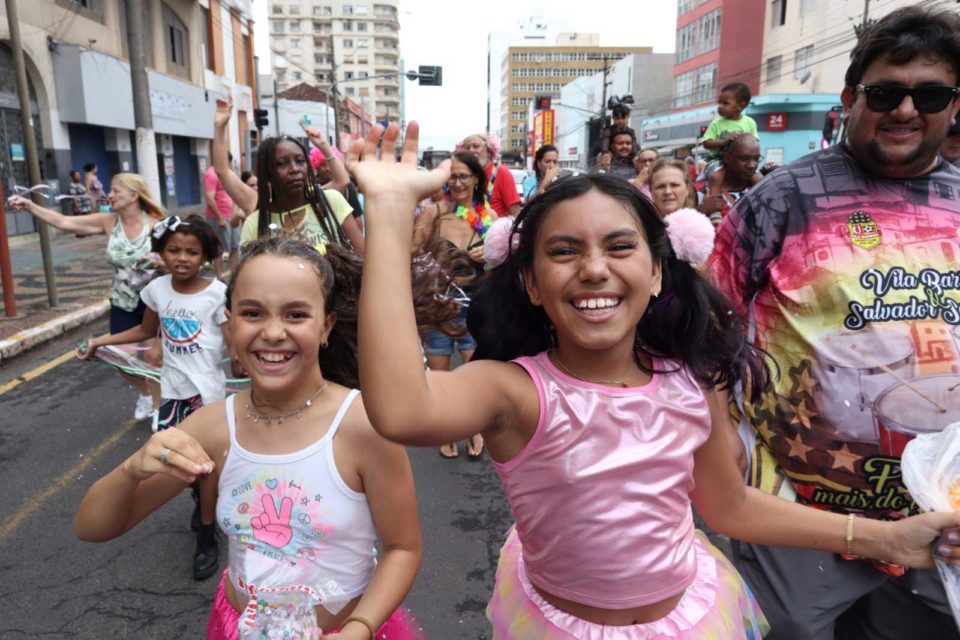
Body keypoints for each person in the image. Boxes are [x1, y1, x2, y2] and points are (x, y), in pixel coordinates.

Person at [348, 121, 960, 640]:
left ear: (659, 272)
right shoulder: (513, 391)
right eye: (563, 252)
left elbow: (731, 506)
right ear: (531, 283)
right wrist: (390, 211)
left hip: (690, 619)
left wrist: (889, 539)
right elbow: (403, 410)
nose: (594, 269)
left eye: (619, 246)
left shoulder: (695, 380)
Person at [708, 7, 960, 639]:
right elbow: (708, 338)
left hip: (940, 518)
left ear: (954, 106)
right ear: (850, 98)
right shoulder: (778, 200)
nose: (906, 110)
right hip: (799, 517)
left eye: (929, 94)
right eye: (885, 93)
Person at [74, 235, 466, 639]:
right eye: (253, 313)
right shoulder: (213, 427)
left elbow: (403, 548)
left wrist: (360, 628)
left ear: (326, 325)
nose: (273, 332)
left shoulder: (363, 425)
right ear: (230, 324)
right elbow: (93, 527)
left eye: (296, 315)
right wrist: (131, 470)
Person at [77, 214, 227, 581]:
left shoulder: (218, 293)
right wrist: (100, 341)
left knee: (208, 466)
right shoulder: (157, 290)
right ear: (160, 253)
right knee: (180, 462)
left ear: (205, 255)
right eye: (173, 250)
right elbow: (144, 330)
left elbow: (236, 338)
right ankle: (200, 501)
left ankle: (207, 532)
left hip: (208, 394)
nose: (182, 258)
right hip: (173, 393)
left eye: (192, 252)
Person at [8, 173, 163, 423]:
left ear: (134, 195)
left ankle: (159, 408)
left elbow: (177, 257)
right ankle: (145, 393)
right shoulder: (109, 222)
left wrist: (160, 263)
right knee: (120, 358)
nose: (108, 195)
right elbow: (64, 222)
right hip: (123, 301)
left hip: (156, 304)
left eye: (116, 191)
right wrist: (30, 206)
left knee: (156, 357)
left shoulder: (158, 225)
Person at [415, 150, 494, 460]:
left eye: (464, 176)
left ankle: (473, 427)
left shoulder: (489, 219)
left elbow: (504, 264)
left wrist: (489, 254)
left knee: (474, 375)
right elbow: (412, 253)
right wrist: (435, 257)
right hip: (438, 305)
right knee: (441, 377)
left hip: (475, 308)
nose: (458, 183)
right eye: (453, 177)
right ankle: (448, 430)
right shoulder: (435, 213)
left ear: (476, 178)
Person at [212, 97, 365, 254]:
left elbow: (361, 259)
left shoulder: (328, 200)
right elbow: (223, 171)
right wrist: (219, 127)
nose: (294, 169)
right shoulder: (256, 216)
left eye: (300, 161)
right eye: (281, 164)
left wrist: (324, 147)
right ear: (267, 172)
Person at [698, 133, 762, 225]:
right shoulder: (702, 191)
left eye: (756, 159)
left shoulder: (761, 187)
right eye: (744, 159)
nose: (752, 165)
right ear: (726, 158)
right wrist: (700, 210)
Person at [461, 133, 522, 217]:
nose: (471, 151)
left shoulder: (500, 172)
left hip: (496, 228)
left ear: (489, 150)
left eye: (476, 146)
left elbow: (515, 211)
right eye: (467, 148)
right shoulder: (465, 174)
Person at [702, 82, 760, 161]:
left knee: (757, 174)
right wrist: (724, 142)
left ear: (740, 106)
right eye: (720, 103)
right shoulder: (716, 123)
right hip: (719, 161)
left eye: (725, 103)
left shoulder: (750, 122)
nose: (720, 107)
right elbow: (706, 143)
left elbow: (754, 142)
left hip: (742, 162)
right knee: (716, 174)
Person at [204, 152, 237, 277]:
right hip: (219, 217)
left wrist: (235, 213)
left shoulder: (228, 173)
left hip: (231, 216)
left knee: (234, 246)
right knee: (218, 248)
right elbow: (209, 198)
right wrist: (220, 217)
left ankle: (234, 274)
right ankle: (219, 276)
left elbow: (234, 194)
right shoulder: (211, 174)